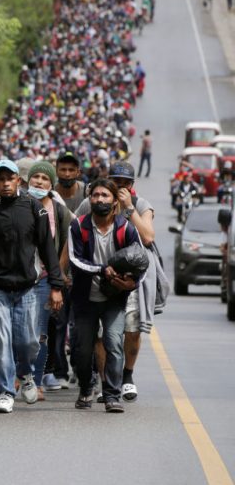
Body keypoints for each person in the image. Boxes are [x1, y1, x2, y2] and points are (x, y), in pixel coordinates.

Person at [0, 159, 64, 414]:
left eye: (10, 178)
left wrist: (56, 285)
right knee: (0, 342)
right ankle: (5, 392)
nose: (6, 183)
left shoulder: (33, 207)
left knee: (30, 341)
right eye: (1, 179)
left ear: (18, 181)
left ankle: (26, 373)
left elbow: (47, 249)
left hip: (29, 288)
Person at [76, 161, 155, 403]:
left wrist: (129, 208)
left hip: (131, 278)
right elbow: (75, 229)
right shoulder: (94, 201)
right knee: (102, 334)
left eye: (125, 184)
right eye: (116, 182)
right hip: (99, 275)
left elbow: (148, 238)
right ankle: (106, 381)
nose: (120, 187)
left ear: (132, 186)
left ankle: (127, 376)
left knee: (131, 330)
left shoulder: (141, 204)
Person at [68, 178, 140, 412]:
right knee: (83, 349)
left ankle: (111, 395)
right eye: (96, 195)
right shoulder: (78, 227)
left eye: (105, 195)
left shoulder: (126, 228)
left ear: (114, 201)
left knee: (113, 343)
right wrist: (101, 269)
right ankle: (86, 389)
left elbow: (140, 260)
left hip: (114, 299)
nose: (100, 199)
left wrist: (131, 281)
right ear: (90, 199)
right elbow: (75, 260)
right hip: (84, 299)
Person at [25, 161, 73, 399]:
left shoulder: (59, 211)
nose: (40, 182)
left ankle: (35, 381)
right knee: (19, 332)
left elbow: (66, 246)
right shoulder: (17, 204)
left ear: (51, 184)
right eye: (36, 178)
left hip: (45, 279)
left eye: (45, 179)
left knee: (40, 332)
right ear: (28, 180)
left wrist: (60, 280)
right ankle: (17, 376)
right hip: (18, 279)